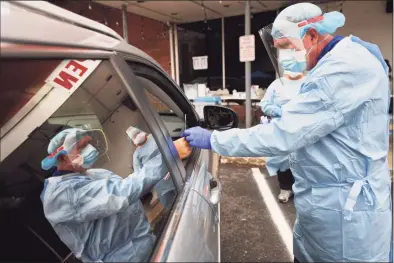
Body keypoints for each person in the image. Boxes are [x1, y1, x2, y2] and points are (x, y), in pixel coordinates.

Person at [182, 3, 392, 262]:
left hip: (344, 216)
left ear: (312, 35)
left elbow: (283, 136)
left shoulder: (340, 69)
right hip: (327, 203)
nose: (286, 57)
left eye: (287, 47)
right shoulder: (340, 60)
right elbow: (327, 120)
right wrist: (291, 113)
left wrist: (214, 139)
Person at [40, 128, 191, 262]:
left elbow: (132, 183)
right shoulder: (61, 194)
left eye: (89, 143)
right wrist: (168, 154)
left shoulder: (93, 174)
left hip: (145, 245)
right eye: (82, 146)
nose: (90, 149)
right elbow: (121, 193)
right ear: (63, 157)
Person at [260, 72, 304, 202]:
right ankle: (285, 189)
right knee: (281, 159)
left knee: (303, 160)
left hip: (302, 128)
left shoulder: (309, 81)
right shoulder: (277, 84)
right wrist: (277, 111)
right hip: (281, 128)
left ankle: (302, 190)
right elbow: (265, 104)